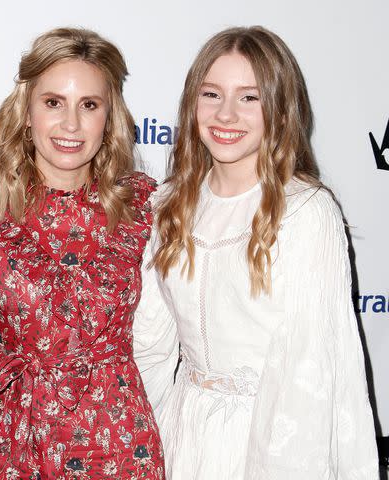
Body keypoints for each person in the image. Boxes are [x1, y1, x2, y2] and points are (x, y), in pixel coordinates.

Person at [133, 26, 379, 479]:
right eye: (212, 94)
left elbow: (308, 377)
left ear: (280, 108)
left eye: (250, 98)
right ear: (192, 104)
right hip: (181, 437)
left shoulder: (306, 211)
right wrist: (136, 449)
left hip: (266, 444)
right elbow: (149, 344)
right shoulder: (168, 203)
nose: (226, 114)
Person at [0, 28, 165, 479]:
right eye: (54, 102)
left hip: (117, 441)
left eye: (89, 105)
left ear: (109, 117)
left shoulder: (146, 207)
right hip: (16, 436)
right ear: (27, 110)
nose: (71, 125)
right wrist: (28, 346)